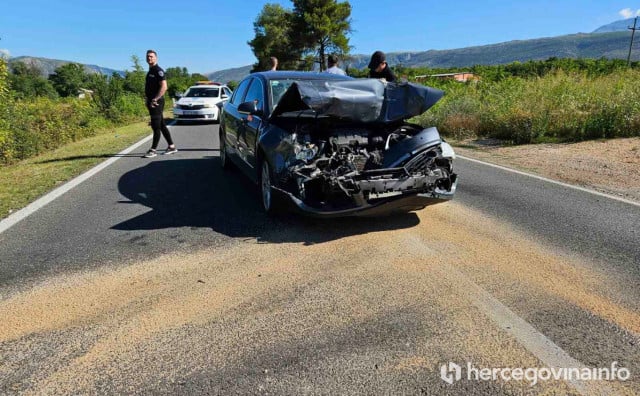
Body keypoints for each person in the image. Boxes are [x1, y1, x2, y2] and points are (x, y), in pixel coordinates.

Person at [144, 49, 177, 158]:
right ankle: (172, 146)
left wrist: (155, 99)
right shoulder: (150, 71)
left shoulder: (158, 71)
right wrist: (147, 99)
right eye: (148, 56)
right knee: (162, 125)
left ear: (156, 58)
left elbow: (164, 86)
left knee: (156, 126)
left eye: (151, 56)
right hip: (151, 102)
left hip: (156, 103)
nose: (149, 58)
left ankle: (153, 150)